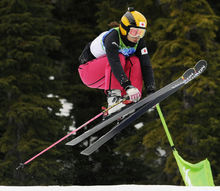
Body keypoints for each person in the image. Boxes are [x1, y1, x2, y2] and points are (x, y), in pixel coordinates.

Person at [78, 7, 156, 116]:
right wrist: (127, 86)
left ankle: (129, 101)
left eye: (141, 32)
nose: (137, 36)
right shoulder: (113, 37)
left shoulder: (139, 42)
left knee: (135, 61)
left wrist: (151, 90)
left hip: (107, 75)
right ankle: (114, 99)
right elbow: (114, 62)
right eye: (134, 32)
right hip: (88, 72)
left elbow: (146, 65)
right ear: (125, 29)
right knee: (120, 56)